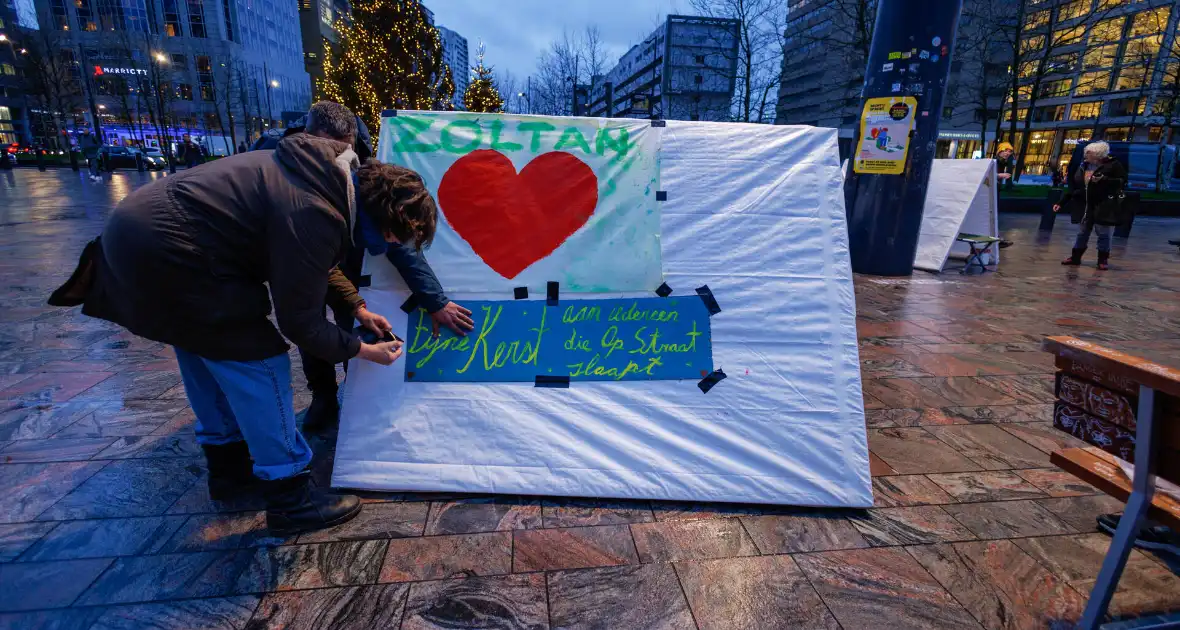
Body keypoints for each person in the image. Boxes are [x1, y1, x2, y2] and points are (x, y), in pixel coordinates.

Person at [47, 101, 437, 535]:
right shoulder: (316, 210)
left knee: (201, 350)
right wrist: (363, 350)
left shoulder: (322, 178)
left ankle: (229, 469)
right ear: (378, 212)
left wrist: (357, 308)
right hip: (174, 251)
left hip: (138, 238)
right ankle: (290, 496)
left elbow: (311, 262)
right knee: (258, 361)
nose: (385, 247)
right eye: (388, 236)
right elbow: (301, 323)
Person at [251, 111, 474, 430]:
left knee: (349, 322)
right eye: (329, 150)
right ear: (310, 138)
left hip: (344, 266)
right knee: (312, 329)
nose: (335, 159)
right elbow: (300, 319)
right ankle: (324, 396)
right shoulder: (301, 193)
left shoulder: (366, 178)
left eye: (344, 150)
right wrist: (363, 349)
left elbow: (399, 240)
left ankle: (356, 394)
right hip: (300, 258)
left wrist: (431, 300)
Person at [1054, 141, 1126, 270]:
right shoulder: (1083, 166)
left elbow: (1122, 182)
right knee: (1082, 232)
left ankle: (1102, 260)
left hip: (1104, 204)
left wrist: (1104, 180)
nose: (1086, 155)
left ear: (1098, 155)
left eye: (1089, 153)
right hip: (1085, 204)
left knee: (1103, 233)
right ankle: (1075, 257)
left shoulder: (1113, 165)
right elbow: (1075, 186)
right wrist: (1061, 202)